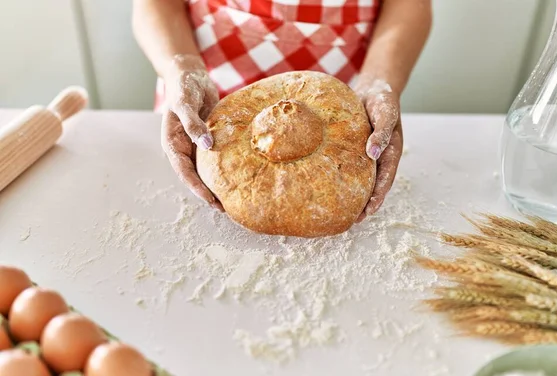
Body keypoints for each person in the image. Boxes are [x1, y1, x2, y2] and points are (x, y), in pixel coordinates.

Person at [133, 0, 431, 221]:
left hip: (345, 109)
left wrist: (380, 83)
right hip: (204, 101)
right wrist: (181, 69)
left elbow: (409, 6)